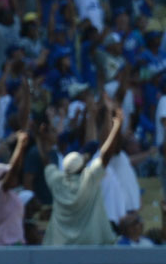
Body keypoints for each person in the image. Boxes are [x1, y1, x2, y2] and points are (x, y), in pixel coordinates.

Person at [43, 101, 127, 246]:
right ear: (83, 167)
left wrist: (41, 138)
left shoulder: (57, 180)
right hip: (90, 244)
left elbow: (46, 160)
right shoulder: (89, 178)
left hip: (60, 246)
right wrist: (116, 127)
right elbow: (105, 155)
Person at [0, 129, 37, 246]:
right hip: (2, 245)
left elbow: (15, 168)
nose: (14, 176)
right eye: (8, 175)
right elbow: (14, 169)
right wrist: (20, 146)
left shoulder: (12, 195)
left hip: (16, 243)